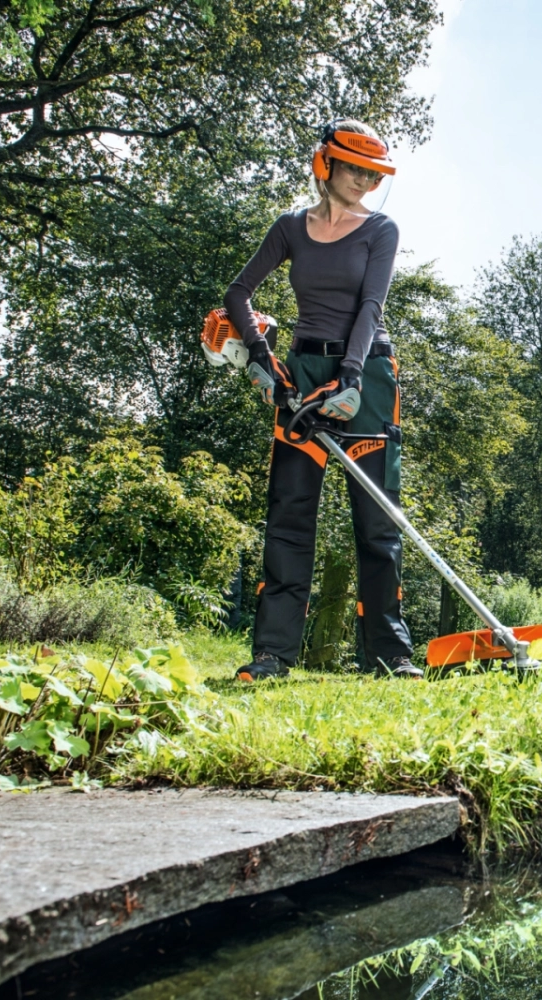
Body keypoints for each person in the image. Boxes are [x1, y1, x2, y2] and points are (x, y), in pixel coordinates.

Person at [224, 119, 421, 681]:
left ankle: (390, 655)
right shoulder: (290, 228)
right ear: (324, 165)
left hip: (368, 375)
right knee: (289, 514)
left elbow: (371, 308)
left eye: (373, 172)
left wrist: (354, 378)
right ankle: (272, 654)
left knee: (378, 521)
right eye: (355, 168)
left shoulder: (380, 229)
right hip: (303, 373)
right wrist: (263, 362)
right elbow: (238, 292)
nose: (364, 180)